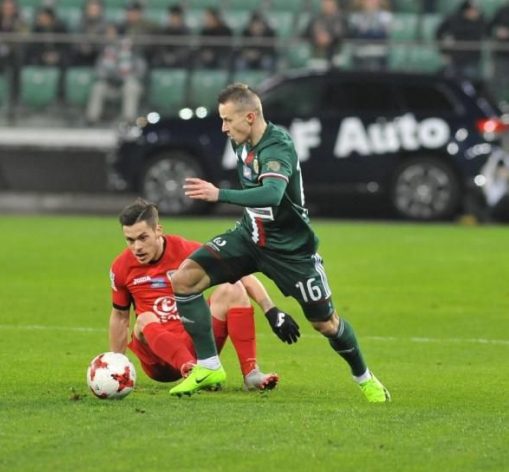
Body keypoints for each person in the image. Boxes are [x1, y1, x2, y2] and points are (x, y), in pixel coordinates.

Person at [166, 83, 390, 403]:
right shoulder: (241, 142)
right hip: (250, 237)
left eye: (228, 120)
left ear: (250, 117)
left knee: (325, 324)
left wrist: (219, 194)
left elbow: (272, 194)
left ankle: (365, 379)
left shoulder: (277, 146)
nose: (223, 128)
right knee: (185, 279)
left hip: (290, 251)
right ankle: (209, 366)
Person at [110, 198, 279, 391]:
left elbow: (243, 274)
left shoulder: (187, 251)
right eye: (130, 240)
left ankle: (251, 373)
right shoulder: (121, 266)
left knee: (233, 288)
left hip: (196, 345)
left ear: (158, 230)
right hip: (158, 358)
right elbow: (120, 317)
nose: (137, 247)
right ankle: (195, 371)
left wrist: (270, 309)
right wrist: (116, 365)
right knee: (144, 318)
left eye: (142, 238)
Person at [86, 22, 145, 125]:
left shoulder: (133, 49)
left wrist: (126, 78)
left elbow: (141, 69)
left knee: (131, 87)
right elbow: (98, 69)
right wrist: (109, 77)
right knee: (98, 87)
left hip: (126, 84)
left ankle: (129, 120)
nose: (108, 35)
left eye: (111, 32)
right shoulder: (106, 49)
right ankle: (92, 119)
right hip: (110, 84)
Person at [436, 0, 487, 82]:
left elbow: (484, 33)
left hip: (472, 59)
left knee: (470, 82)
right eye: (472, 10)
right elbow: (439, 33)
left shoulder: (480, 21)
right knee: (452, 82)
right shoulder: (454, 20)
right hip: (455, 58)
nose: (475, 13)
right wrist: (444, 51)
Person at [349, 0, 392, 71]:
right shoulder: (356, 17)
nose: (370, 2)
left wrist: (366, 33)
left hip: (380, 51)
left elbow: (383, 36)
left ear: (378, 1)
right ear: (362, 1)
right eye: (368, 0)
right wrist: (374, 34)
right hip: (361, 51)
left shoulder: (386, 17)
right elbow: (356, 36)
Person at [304, 0, 349, 67]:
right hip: (317, 54)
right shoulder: (315, 19)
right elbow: (304, 34)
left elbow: (345, 35)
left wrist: (331, 38)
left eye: (330, 4)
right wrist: (316, 37)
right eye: (325, 4)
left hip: (337, 54)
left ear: (335, 5)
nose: (327, 6)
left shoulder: (342, 20)